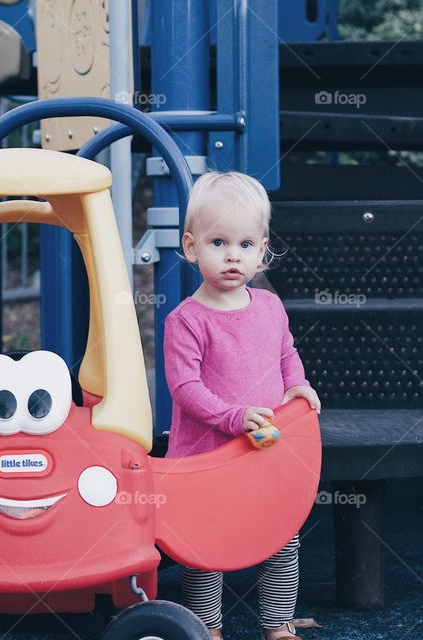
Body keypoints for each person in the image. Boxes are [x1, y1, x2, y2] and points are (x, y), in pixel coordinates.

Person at [163, 170, 321, 640]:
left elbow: (286, 353)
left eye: (246, 244)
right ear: (192, 247)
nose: (233, 255)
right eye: (218, 242)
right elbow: (184, 387)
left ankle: (277, 625)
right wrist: (233, 417)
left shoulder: (269, 306)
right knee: (208, 548)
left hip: (266, 451)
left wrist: (298, 385)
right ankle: (207, 629)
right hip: (208, 458)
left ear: (263, 248)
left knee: (281, 537)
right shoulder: (186, 320)